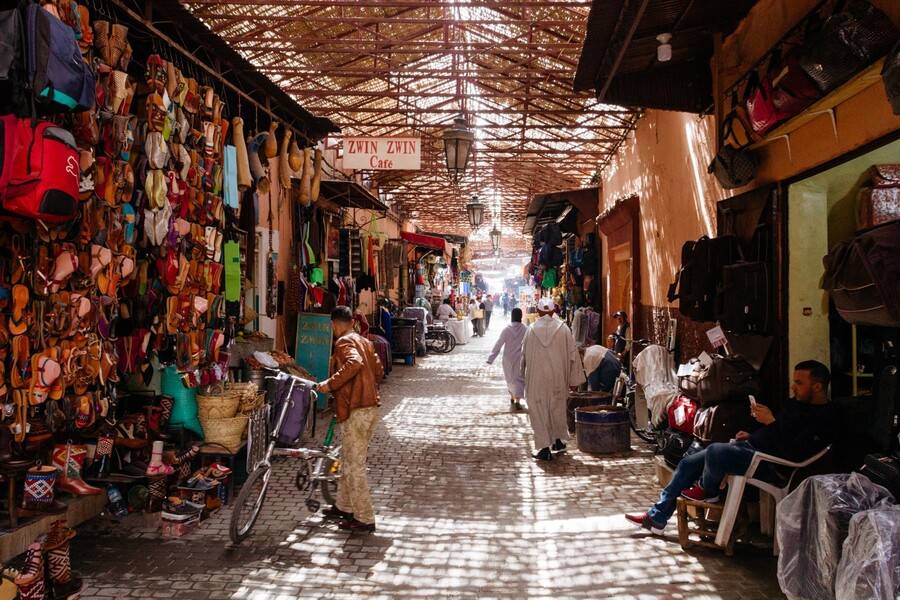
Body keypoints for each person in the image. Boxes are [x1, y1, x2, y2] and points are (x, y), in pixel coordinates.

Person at [625, 360, 836, 533]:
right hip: (753, 449)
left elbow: (794, 450)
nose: (793, 387)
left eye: (799, 383)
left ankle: (709, 490)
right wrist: (753, 435)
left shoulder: (824, 418)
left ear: (817, 387)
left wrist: (771, 422)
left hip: (771, 464)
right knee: (688, 462)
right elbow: (778, 432)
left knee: (716, 451)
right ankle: (657, 517)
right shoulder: (795, 404)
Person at [317, 306, 385, 533]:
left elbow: (354, 363)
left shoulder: (344, 342)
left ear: (334, 324)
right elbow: (379, 370)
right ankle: (344, 507)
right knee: (348, 460)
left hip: (357, 409)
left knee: (355, 466)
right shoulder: (364, 341)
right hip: (369, 408)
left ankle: (364, 518)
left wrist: (330, 384)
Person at [521, 297, 586, 461]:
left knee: (539, 411)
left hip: (536, 379)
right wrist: (574, 381)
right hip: (558, 378)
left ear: (538, 311)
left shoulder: (531, 330)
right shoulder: (564, 330)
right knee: (557, 409)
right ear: (552, 311)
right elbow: (573, 356)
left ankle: (544, 448)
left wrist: (522, 376)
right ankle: (558, 441)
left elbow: (523, 356)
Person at [487, 307, 528, 410]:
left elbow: (499, 343)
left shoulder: (506, 329)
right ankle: (517, 399)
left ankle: (512, 396)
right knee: (519, 379)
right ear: (521, 316)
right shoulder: (526, 329)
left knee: (510, 378)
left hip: (508, 359)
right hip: (520, 358)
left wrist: (491, 358)